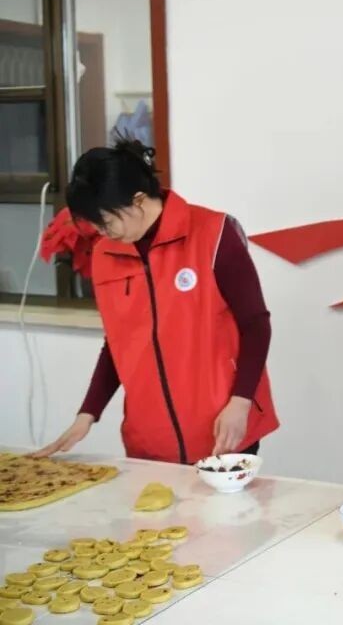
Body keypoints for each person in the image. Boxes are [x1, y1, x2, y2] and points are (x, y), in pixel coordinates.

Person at [33, 138, 279, 464]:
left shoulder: (214, 233)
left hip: (223, 428)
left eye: (106, 222)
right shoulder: (105, 254)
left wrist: (241, 401)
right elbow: (118, 343)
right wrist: (87, 414)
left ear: (137, 201)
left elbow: (255, 324)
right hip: (149, 439)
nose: (103, 233)